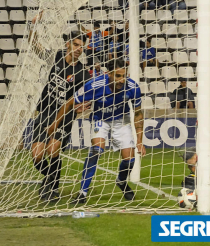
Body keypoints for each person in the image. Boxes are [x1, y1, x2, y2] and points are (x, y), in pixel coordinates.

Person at [48, 59, 146, 204]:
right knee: (96, 151)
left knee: (130, 160)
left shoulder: (132, 87)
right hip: (100, 118)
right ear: (109, 74)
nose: (122, 80)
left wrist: (139, 141)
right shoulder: (94, 85)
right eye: (118, 76)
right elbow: (70, 102)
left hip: (121, 120)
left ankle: (121, 180)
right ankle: (82, 192)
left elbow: (138, 114)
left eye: (124, 75)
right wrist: (54, 125)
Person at [30, 13, 91, 201]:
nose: (79, 49)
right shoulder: (55, 57)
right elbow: (36, 47)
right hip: (45, 111)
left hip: (64, 117)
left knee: (53, 150)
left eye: (82, 46)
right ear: (68, 44)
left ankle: (51, 187)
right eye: (76, 45)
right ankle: (51, 177)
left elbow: (85, 100)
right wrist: (32, 26)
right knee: (37, 155)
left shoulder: (83, 73)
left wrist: (84, 107)